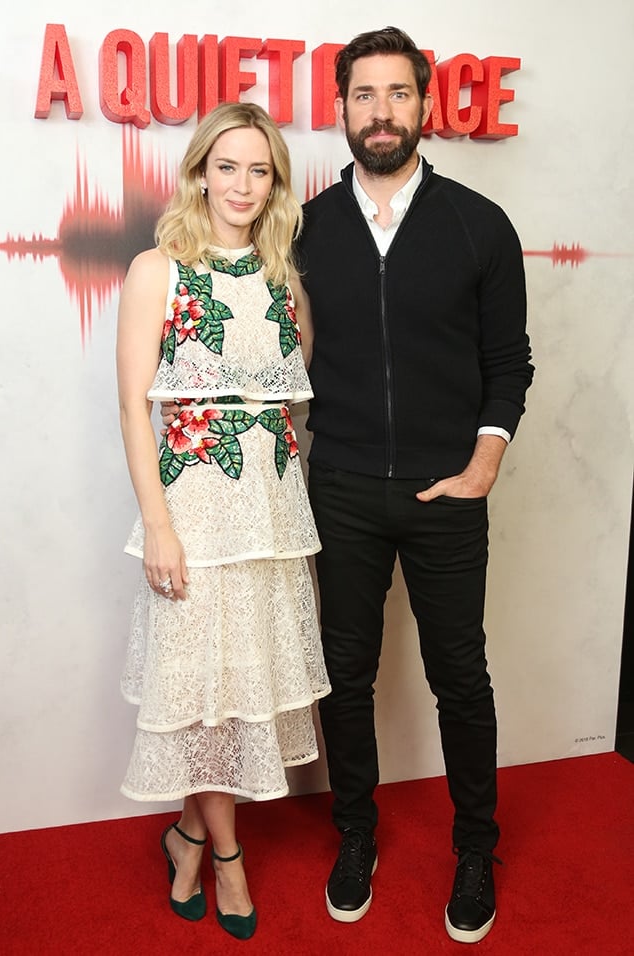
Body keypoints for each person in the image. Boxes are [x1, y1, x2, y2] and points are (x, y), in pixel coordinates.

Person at [295, 26, 534, 944]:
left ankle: (477, 848)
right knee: (345, 676)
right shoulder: (308, 226)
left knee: (459, 679)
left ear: (424, 107)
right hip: (344, 488)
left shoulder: (480, 223)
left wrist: (482, 465)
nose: (380, 112)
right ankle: (355, 835)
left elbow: (506, 362)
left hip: (447, 494)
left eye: (398, 94)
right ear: (343, 108)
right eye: (364, 95)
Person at [116, 101, 330, 942]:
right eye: (228, 166)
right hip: (195, 511)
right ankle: (227, 856)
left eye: (260, 170)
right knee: (202, 695)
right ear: (201, 170)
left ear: (275, 182)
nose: (242, 185)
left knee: (241, 688)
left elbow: (289, 388)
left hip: (271, 513)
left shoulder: (282, 276)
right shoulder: (156, 269)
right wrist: (157, 525)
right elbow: (136, 411)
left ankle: (187, 834)